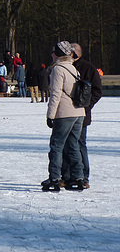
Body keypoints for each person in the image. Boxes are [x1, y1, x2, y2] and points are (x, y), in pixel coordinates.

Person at [42, 41, 85, 191]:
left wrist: (50, 115)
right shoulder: (73, 68)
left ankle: (54, 178)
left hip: (65, 113)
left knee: (56, 145)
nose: (52, 54)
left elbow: (56, 94)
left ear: (59, 53)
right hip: (79, 112)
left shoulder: (58, 69)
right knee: (73, 145)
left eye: (53, 52)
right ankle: (78, 177)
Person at [61, 43, 103, 189]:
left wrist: (86, 107)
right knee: (66, 144)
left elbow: (97, 91)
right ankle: (66, 176)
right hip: (67, 113)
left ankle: (83, 177)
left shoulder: (88, 68)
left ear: (74, 53)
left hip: (82, 115)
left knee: (79, 145)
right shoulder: (66, 67)